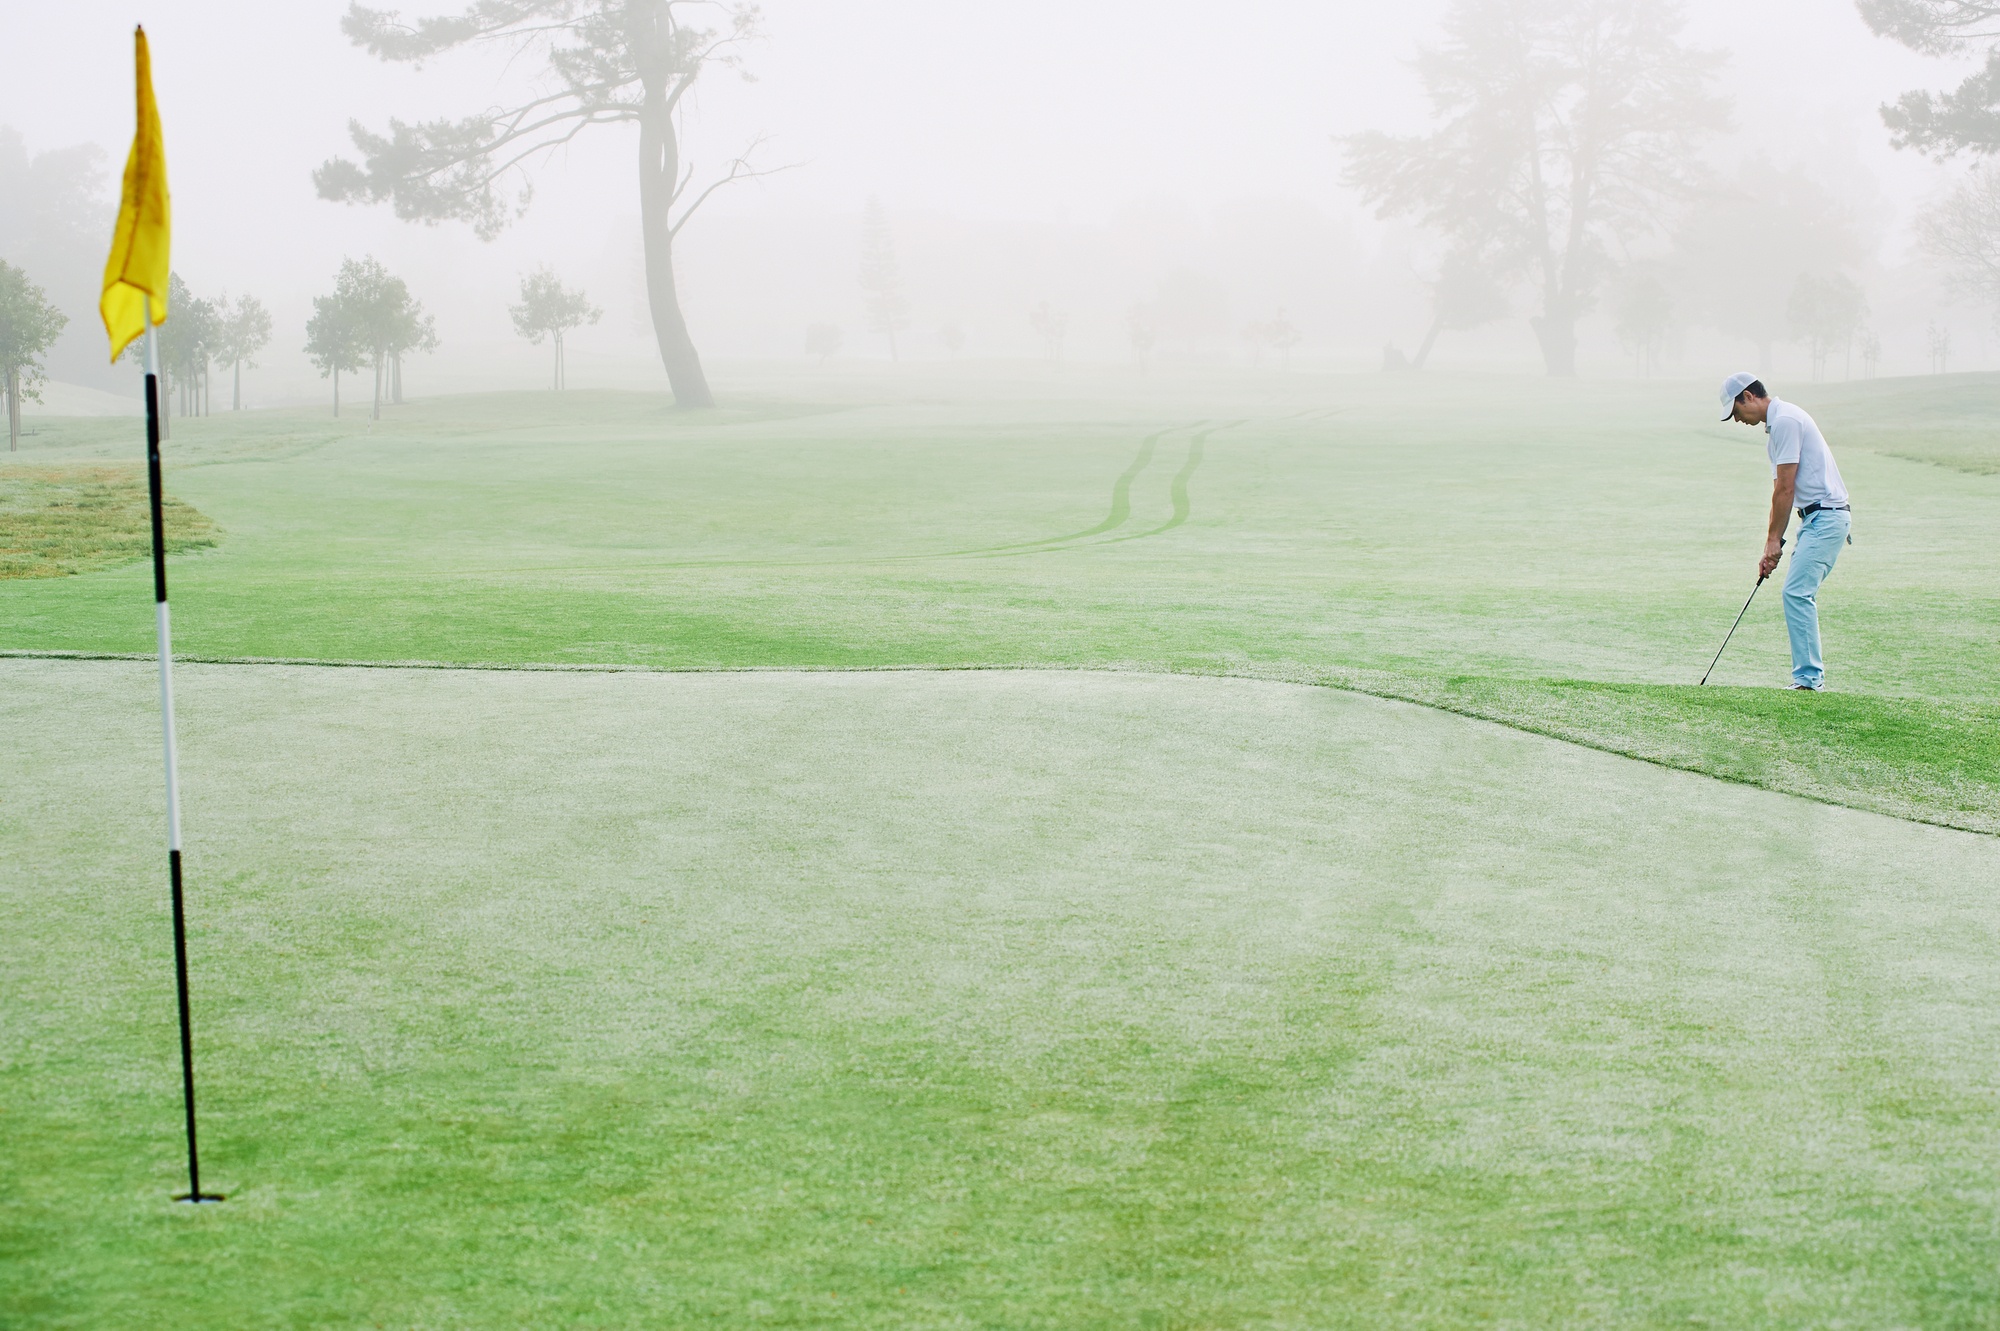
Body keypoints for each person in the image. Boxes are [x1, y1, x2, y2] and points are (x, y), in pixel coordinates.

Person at [1719, 373, 1852, 690]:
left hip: (1827, 516)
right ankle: (1808, 678)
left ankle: (1808, 680)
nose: (1737, 420)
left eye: (1736, 412)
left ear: (1749, 396)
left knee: (1796, 592)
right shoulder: (1778, 427)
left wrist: (1771, 543)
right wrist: (1774, 542)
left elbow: (1786, 490)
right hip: (1815, 519)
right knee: (1797, 592)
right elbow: (1780, 488)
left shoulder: (1786, 421)